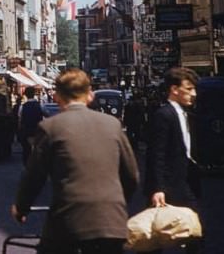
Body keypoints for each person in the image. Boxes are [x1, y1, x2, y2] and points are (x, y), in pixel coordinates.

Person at [12, 69, 138, 254]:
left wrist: (21, 208)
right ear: (90, 95)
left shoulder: (51, 127)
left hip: (68, 221)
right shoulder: (112, 125)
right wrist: (116, 203)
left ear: (57, 97)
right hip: (111, 222)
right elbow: (131, 175)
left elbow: (34, 176)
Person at [143, 67, 201, 252]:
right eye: (189, 89)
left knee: (192, 233)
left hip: (184, 182)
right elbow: (156, 154)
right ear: (174, 89)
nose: (194, 94)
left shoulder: (185, 114)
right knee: (156, 236)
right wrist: (158, 188)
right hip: (168, 186)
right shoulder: (163, 115)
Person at [18, 86, 46, 165]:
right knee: (38, 150)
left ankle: (27, 165)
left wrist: (19, 131)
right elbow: (46, 115)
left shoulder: (22, 106)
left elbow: (20, 120)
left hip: (26, 131)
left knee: (26, 150)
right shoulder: (40, 106)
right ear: (34, 94)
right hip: (37, 131)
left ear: (25, 95)